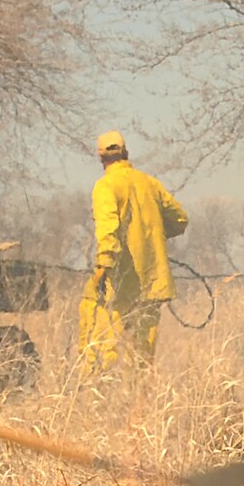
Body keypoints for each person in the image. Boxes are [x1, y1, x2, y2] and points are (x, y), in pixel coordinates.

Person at [81, 130, 188, 373]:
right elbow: (180, 220)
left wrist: (101, 270)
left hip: (120, 284)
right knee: (142, 356)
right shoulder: (149, 183)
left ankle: (98, 401)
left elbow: (108, 232)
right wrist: (151, 238)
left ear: (100, 157)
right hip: (153, 282)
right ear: (126, 152)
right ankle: (140, 407)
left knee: (103, 351)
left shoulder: (105, 186)